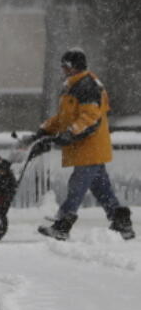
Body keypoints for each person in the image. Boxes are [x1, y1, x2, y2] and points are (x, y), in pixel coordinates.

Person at [28, 48, 134, 241]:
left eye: (65, 66)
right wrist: (44, 130)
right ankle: (122, 223)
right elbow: (63, 118)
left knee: (76, 187)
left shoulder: (87, 86)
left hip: (89, 146)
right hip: (85, 148)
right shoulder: (73, 86)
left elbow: (90, 118)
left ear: (74, 67)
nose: (62, 70)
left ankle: (62, 225)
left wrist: (70, 133)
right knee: (101, 188)